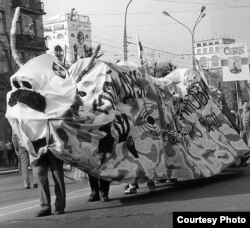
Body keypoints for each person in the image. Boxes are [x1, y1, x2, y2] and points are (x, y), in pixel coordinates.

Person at [32, 139, 66, 217]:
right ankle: (45, 207)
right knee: (39, 174)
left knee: (58, 176)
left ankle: (60, 206)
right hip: (37, 145)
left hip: (53, 142)